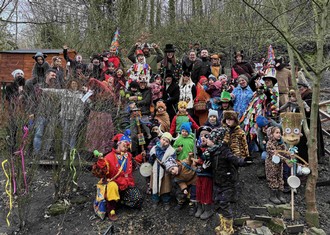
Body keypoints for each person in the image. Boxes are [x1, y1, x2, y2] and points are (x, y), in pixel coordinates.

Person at [205, 127, 251, 234]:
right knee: (217, 202)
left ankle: (229, 228)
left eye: (209, 139)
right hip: (218, 181)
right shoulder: (212, 151)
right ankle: (222, 224)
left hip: (227, 182)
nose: (206, 140)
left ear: (215, 140)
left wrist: (244, 161)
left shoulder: (224, 151)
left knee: (224, 203)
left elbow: (235, 159)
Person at [92, 133, 143, 221]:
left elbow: (133, 165)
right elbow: (100, 173)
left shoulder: (128, 155)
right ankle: (111, 210)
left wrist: (141, 156)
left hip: (125, 185)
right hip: (114, 185)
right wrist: (100, 162)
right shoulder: (109, 157)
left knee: (137, 199)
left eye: (128, 143)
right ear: (118, 143)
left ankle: (119, 201)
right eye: (125, 142)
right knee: (112, 186)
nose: (127, 145)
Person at [296, 78, 325, 163]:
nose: (298, 89)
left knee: (309, 139)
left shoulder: (309, 95)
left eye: (300, 87)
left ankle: (309, 158)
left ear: (304, 88)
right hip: (306, 120)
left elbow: (308, 110)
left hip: (310, 121)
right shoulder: (304, 95)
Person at [149, 132, 176, 210]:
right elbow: (150, 161)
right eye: (163, 139)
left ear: (169, 143)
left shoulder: (171, 151)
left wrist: (165, 164)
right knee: (155, 184)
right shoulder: (154, 148)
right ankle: (155, 199)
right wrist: (152, 158)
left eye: (167, 141)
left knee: (165, 186)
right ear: (160, 139)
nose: (164, 142)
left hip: (165, 172)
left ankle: (166, 201)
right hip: (155, 170)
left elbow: (172, 161)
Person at [191, 126, 214, 220]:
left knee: (206, 190)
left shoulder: (211, 149)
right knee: (198, 190)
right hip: (199, 173)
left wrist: (199, 161)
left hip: (207, 174)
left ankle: (208, 209)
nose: (203, 137)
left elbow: (207, 160)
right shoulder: (200, 147)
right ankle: (200, 207)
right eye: (201, 136)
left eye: (206, 136)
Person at [265, 126, 288, 204]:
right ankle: (273, 196)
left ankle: (280, 195)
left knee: (280, 178)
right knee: (273, 178)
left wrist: (289, 155)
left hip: (279, 165)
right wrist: (285, 159)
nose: (279, 135)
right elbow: (275, 154)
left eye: (280, 133)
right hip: (271, 165)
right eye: (277, 133)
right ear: (272, 134)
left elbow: (285, 152)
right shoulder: (270, 144)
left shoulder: (281, 144)